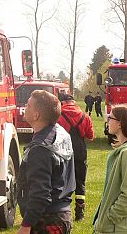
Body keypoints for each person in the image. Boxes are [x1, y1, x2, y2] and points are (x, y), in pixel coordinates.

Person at [17, 90, 75, 234]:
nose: (25, 106)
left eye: (29, 105)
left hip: (47, 220)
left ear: (37, 115)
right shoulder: (62, 134)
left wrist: (26, 225)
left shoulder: (40, 148)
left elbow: (40, 194)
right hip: (61, 215)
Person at [57, 93, 94, 221]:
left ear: (62, 102)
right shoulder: (85, 116)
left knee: (61, 182)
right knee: (80, 182)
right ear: (73, 102)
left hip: (62, 152)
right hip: (80, 152)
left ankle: (62, 212)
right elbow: (90, 136)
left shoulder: (58, 115)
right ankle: (80, 213)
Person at [93, 105, 127, 233]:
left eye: (110, 117)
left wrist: (110, 216)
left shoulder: (126, 153)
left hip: (117, 228)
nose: (107, 121)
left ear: (120, 123)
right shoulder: (122, 151)